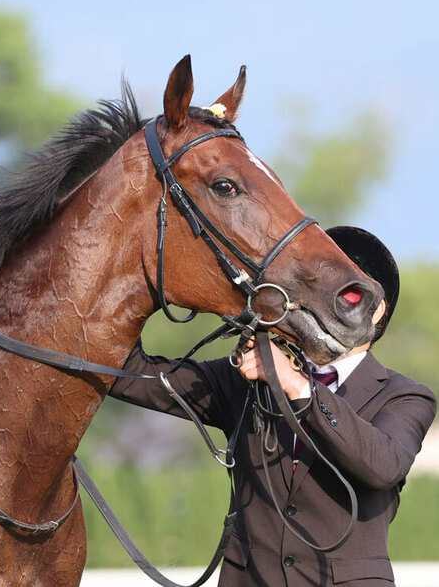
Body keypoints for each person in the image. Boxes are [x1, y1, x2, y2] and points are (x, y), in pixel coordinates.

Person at [108, 226, 436, 586]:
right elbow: (131, 375)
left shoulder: (404, 396)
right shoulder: (250, 374)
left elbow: (383, 465)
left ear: (376, 312)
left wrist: (298, 386)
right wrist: (131, 283)